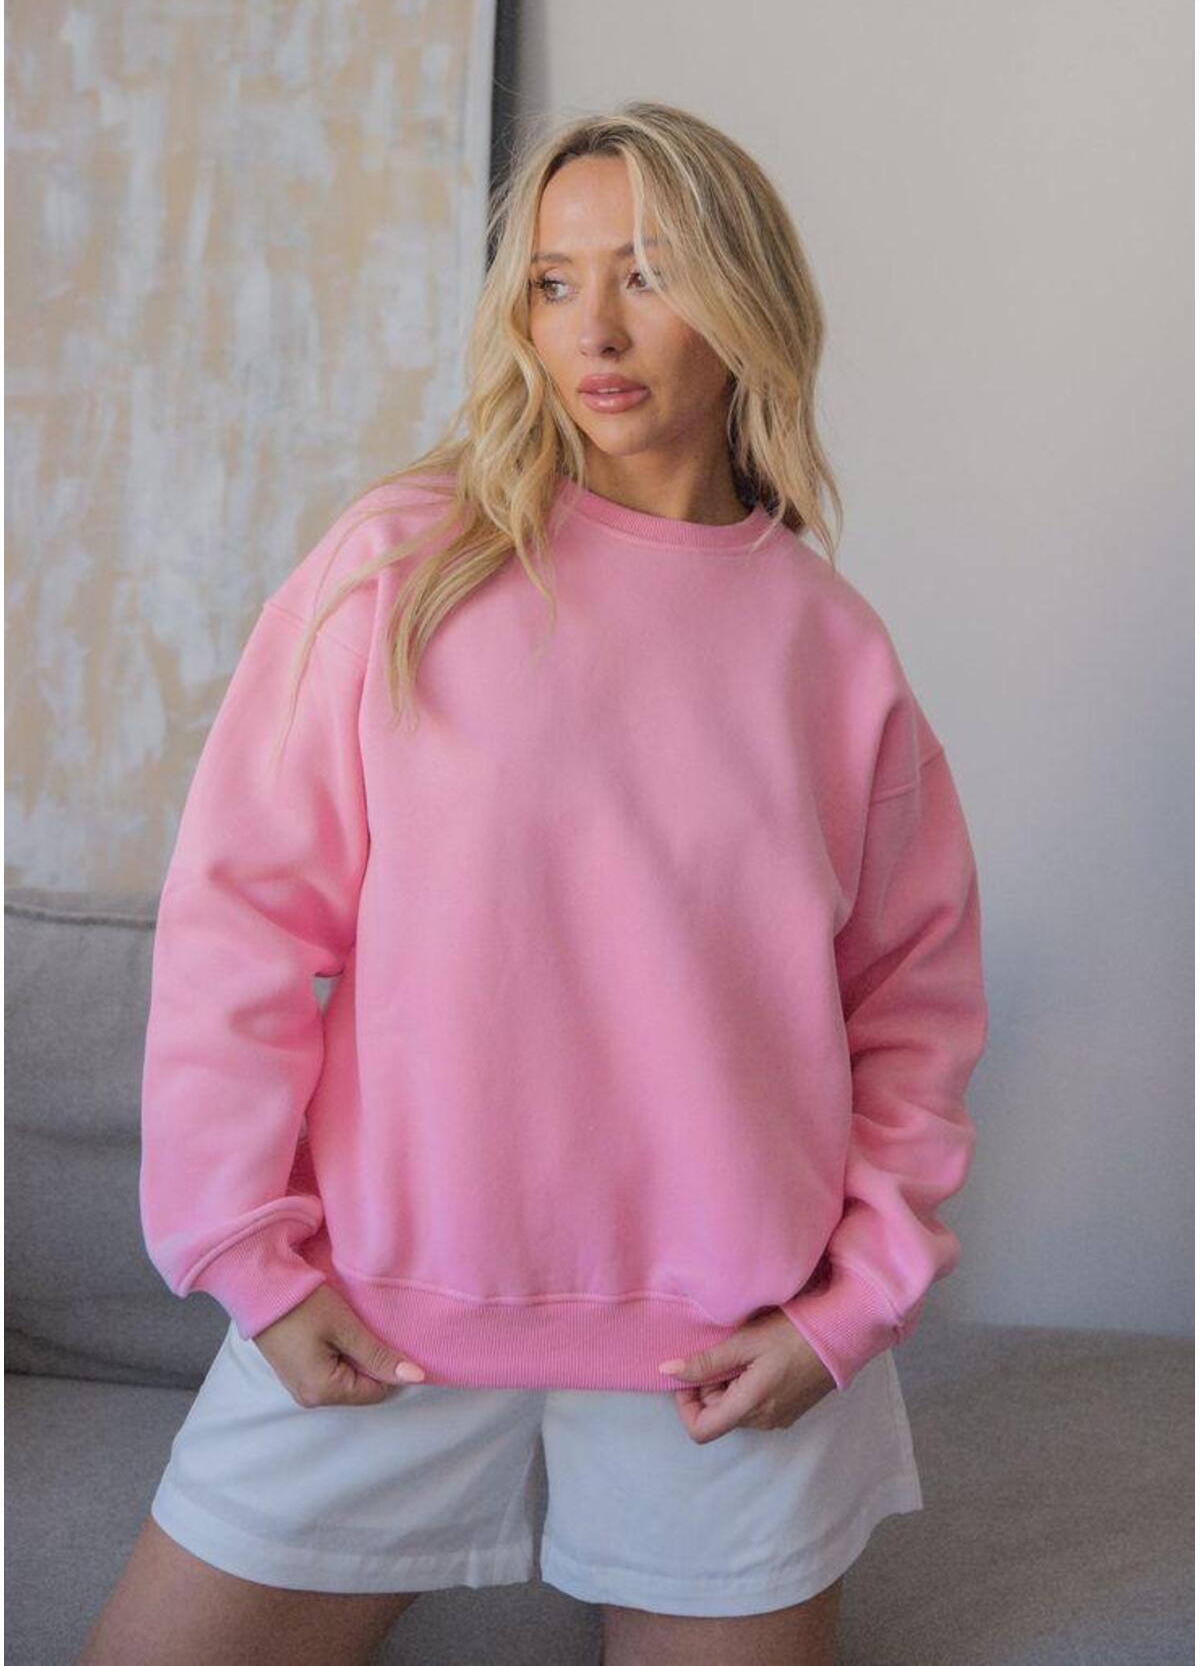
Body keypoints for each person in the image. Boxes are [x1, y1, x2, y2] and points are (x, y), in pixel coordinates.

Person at [79, 100, 988, 1666]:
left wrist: (850, 1307)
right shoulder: (404, 566)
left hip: (733, 1352)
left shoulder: (831, 649)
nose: (595, 328)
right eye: (554, 283)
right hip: (379, 1314)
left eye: (647, 273)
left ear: (748, 299)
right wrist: (246, 1254)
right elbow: (244, 922)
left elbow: (914, 1002)